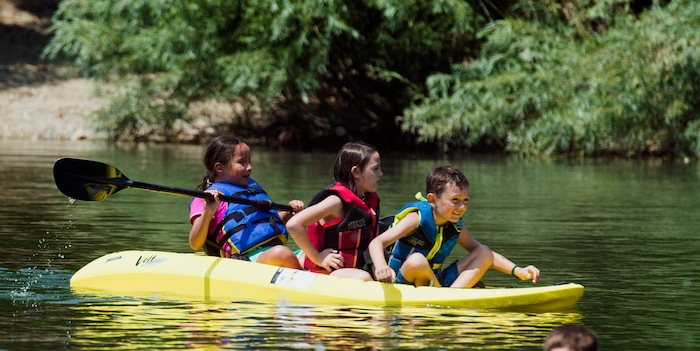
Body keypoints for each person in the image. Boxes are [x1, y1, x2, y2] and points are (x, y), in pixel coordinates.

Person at [368, 165, 541, 288]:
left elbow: (488, 256)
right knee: (417, 260)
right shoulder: (415, 219)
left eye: (465, 200)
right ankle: (445, 296)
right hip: (402, 279)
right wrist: (382, 267)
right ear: (432, 199)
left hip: (436, 280)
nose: (462, 207)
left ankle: (453, 294)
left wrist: (519, 271)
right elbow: (376, 243)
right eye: (455, 200)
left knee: (484, 252)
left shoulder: (455, 226)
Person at [188, 135, 304, 269]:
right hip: (247, 259)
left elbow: (261, 224)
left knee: (312, 253)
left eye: (249, 161)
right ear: (219, 168)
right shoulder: (205, 198)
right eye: (242, 162)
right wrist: (208, 213)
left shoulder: (250, 188)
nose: (249, 167)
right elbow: (195, 243)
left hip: (273, 253)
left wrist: (291, 212)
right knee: (282, 253)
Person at [286, 142, 383, 281]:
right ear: (356, 172)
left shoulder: (368, 201)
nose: (381, 173)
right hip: (324, 270)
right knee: (363, 277)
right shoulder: (336, 202)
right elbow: (294, 224)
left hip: (350, 268)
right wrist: (318, 258)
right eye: (375, 169)